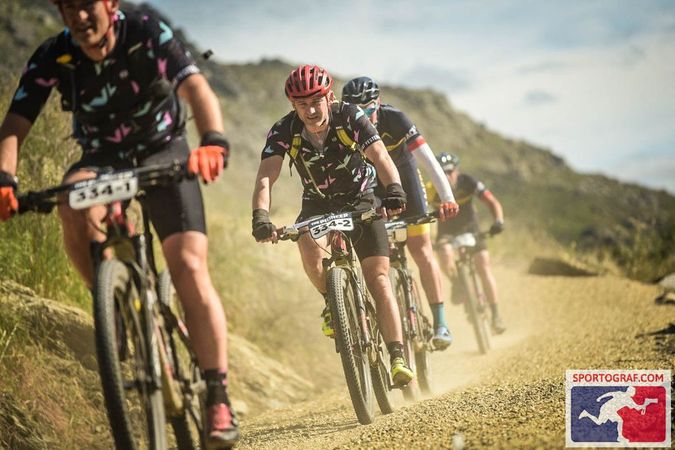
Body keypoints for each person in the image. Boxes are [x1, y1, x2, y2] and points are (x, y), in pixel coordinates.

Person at [0, 1, 238, 446]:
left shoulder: (146, 30)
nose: (78, 16)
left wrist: (212, 141)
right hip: (102, 159)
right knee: (71, 200)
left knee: (188, 266)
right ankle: (112, 305)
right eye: (67, 7)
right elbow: (16, 121)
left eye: (87, 4)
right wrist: (5, 179)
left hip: (163, 150)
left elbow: (196, 88)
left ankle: (218, 396)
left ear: (110, 3)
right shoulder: (53, 54)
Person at [251, 64, 414, 386]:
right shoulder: (284, 130)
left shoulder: (350, 116)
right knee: (305, 240)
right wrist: (260, 216)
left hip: (361, 198)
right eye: (302, 104)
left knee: (378, 278)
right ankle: (332, 302)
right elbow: (266, 176)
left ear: (329, 97)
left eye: (316, 101)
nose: (310, 111)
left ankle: (397, 356)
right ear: (292, 105)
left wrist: (394, 189)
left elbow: (380, 156)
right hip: (317, 202)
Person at [342, 77, 460, 350]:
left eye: (369, 109)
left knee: (421, 249)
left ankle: (441, 323)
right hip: (372, 185)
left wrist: (447, 198)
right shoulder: (344, 125)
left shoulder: (395, 119)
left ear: (379, 103)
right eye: (357, 110)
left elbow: (428, 160)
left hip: (405, 179)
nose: (365, 116)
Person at [430, 153, 506, 333]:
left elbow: (492, 201)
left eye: (450, 171)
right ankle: (458, 283)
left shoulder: (468, 182)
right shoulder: (431, 189)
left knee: (483, 265)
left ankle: (496, 315)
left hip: (471, 228)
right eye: (442, 172)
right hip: (447, 232)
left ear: (457, 171)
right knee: (444, 255)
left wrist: (498, 221)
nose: (447, 176)